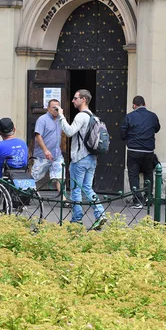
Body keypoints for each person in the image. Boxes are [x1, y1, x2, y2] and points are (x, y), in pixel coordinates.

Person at [57, 89, 105, 230]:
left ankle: (77, 220)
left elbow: (69, 131)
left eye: (75, 98)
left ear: (83, 99)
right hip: (92, 158)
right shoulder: (93, 116)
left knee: (76, 190)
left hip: (80, 159)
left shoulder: (81, 116)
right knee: (87, 188)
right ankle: (100, 213)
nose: (73, 101)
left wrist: (61, 116)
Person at [120, 95, 161, 208]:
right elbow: (157, 128)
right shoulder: (153, 116)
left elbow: (122, 133)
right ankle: (149, 197)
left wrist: (129, 137)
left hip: (134, 150)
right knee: (148, 173)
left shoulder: (129, 117)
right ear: (145, 104)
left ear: (134, 105)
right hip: (149, 151)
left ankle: (137, 200)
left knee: (133, 175)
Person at [31, 99, 66, 196]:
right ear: (48, 108)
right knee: (34, 176)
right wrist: (45, 150)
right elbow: (38, 136)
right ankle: (26, 195)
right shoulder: (42, 119)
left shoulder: (60, 119)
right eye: (54, 107)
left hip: (56, 154)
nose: (56, 110)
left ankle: (63, 198)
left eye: (58, 108)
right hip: (42, 155)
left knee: (60, 177)